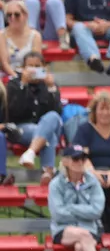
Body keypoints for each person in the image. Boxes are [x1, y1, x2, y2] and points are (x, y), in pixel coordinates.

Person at [49, 144, 110, 251]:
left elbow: (97, 211)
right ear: (65, 161)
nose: (80, 162)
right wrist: (83, 212)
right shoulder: (56, 184)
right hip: (63, 229)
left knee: (80, 247)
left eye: (83, 158)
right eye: (76, 159)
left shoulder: (92, 181)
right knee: (84, 236)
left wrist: (71, 208)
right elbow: (58, 214)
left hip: (90, 229)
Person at [72, 91, 110, 215]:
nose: (105, 113)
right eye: (101, 109)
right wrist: (93, 173)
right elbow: (82, 157)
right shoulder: (85, 130)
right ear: (95, 111)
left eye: (108, 109)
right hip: (90, 172)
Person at [9, 50, 63, 183]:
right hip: (22, 128)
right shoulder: (14, 84)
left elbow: (57, 112)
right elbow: (13, 112)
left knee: (52, 117)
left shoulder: (50, 85)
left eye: (37, 66)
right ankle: (48, 172)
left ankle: (30, 153)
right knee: (49, 136)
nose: (34, 70)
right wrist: (23, 85)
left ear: (44, 68)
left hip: (45, 125)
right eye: (30, 66)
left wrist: (51, 89)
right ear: (23, 68)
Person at [0, 0, 44, 79]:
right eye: (9, 15)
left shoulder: (35, 36)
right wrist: (17, 78)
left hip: (31, 75)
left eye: (17, 14)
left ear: (25, 15)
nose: (12, 17)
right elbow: (4, 63)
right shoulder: (2, 35)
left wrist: (27, 77)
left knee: (49, 80)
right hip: (9, 76)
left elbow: (37, 62)